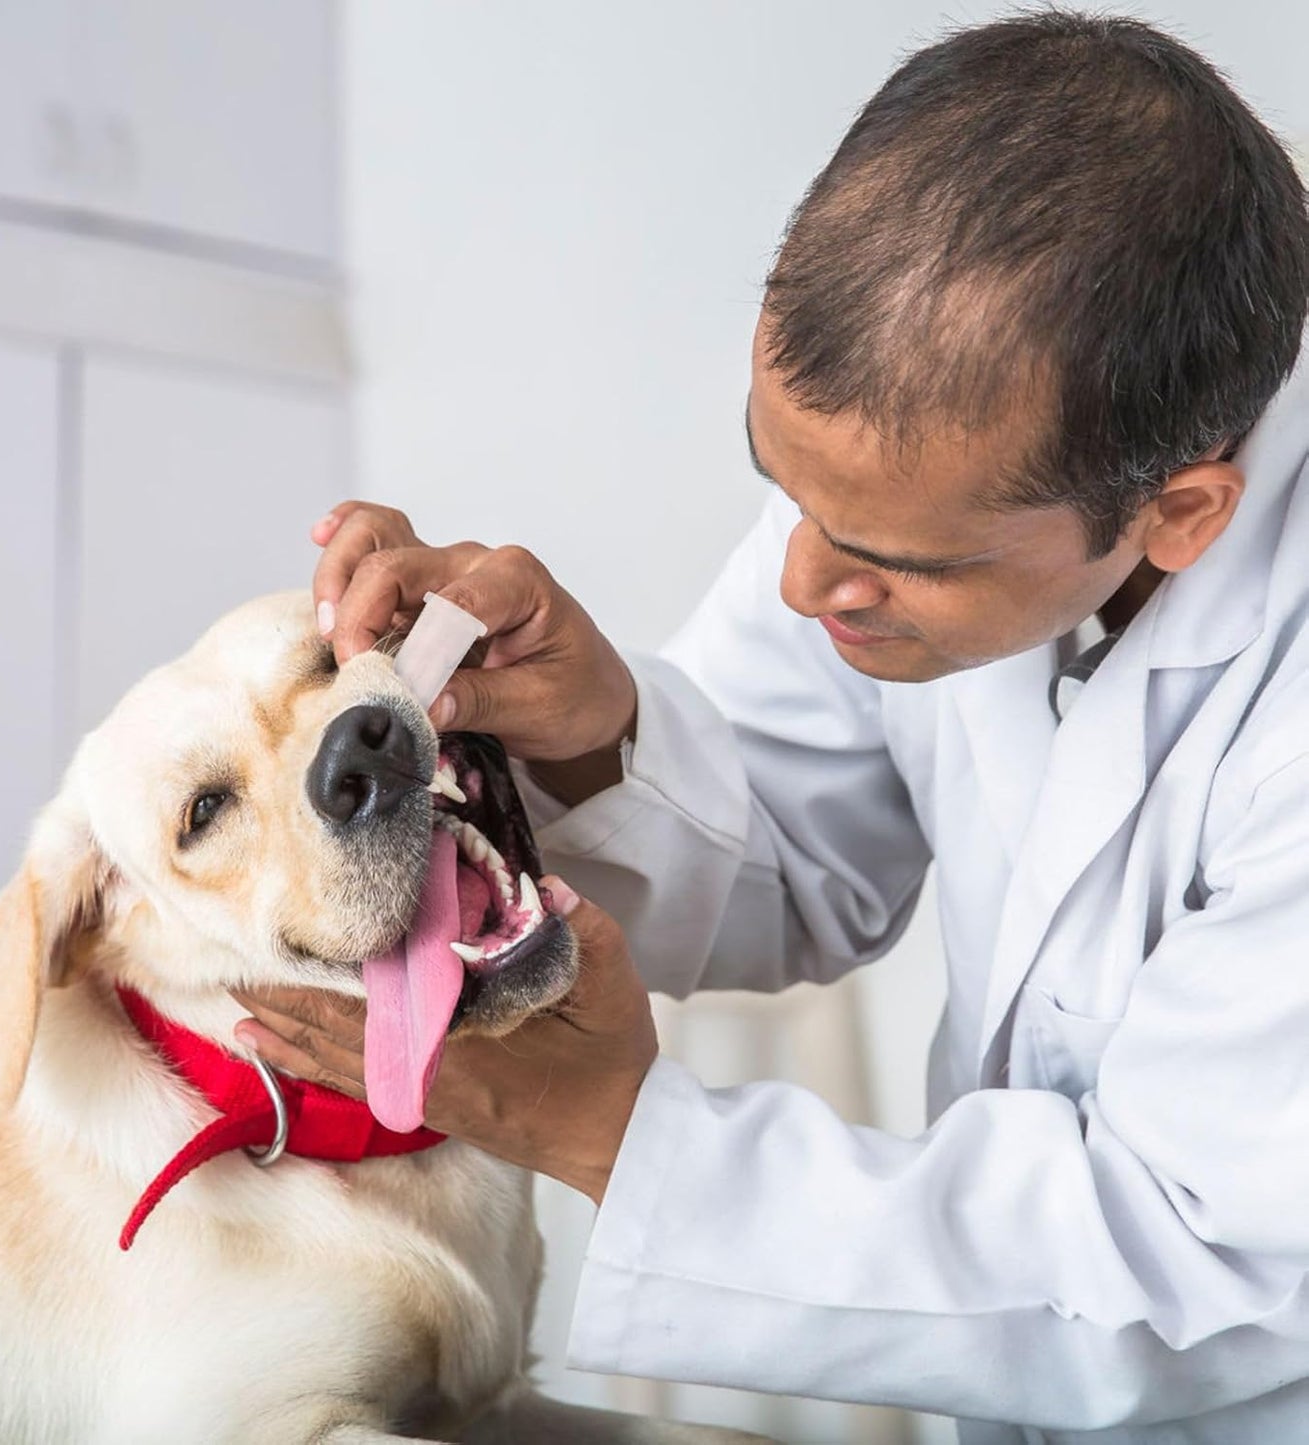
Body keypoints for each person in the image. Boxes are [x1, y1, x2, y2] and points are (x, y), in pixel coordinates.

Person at [234, 13, 1309, 1441]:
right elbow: (796, 838)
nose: (803, 581)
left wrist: (616, 1136)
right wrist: (586, 730)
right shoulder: (924, 465)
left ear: (1178, 514)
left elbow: (1200, 1265)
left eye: (894, 561)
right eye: (780, 486)